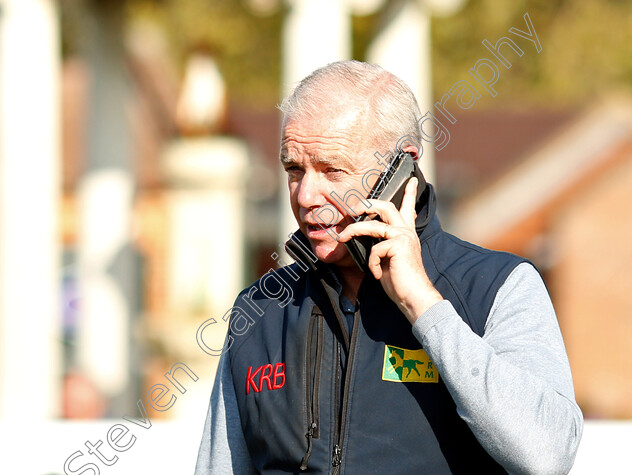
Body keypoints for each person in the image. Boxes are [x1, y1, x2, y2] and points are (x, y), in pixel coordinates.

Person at [195, 61, 582, 474]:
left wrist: (424, 307)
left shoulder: (498, 287)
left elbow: (548, 455)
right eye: (294, 169)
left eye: (332, 169)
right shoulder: (260, 310)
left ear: (402, 167)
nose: (306, 194)